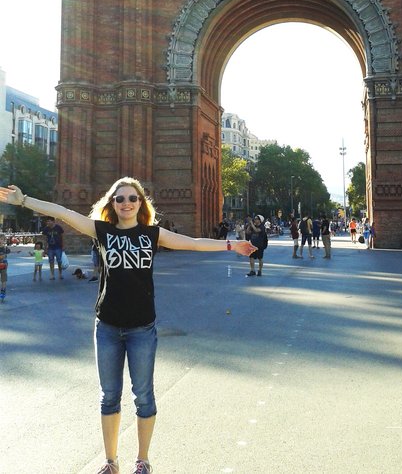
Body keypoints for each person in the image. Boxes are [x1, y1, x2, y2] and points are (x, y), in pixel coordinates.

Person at [0, 179, 255, 474]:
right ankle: (111, 462)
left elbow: (194, 243)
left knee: (143, 396)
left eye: (132, 198)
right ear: (112, 203)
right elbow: (62, 212)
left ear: (141, 202)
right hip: (107, 326)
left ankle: (143, 460)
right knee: (109, 397)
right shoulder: (102, 231)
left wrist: (231, 245)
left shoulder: (152, 234)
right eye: (120, 199)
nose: (126, 203)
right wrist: (24, 200)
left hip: (141, 329)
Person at [41, 216, 65, 280]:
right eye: (47, 221)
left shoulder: (58, 228)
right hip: (50, 248)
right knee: (51, 261)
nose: (47, 222)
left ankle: (60, 274)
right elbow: (45, 239)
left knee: (59, 261)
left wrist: (63, 246)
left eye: (49, 221)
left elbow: (62, 237)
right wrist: (45, 249)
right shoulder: (46, 229)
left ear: (53, 221)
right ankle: (52, 274)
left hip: (58, 247)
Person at [0, 235, 12, 302]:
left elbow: (9, 252)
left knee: (3, 279)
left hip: (3, 265)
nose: (2, 241)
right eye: (1, 239)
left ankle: (3, 291)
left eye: (3, 240)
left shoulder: (5, 248)